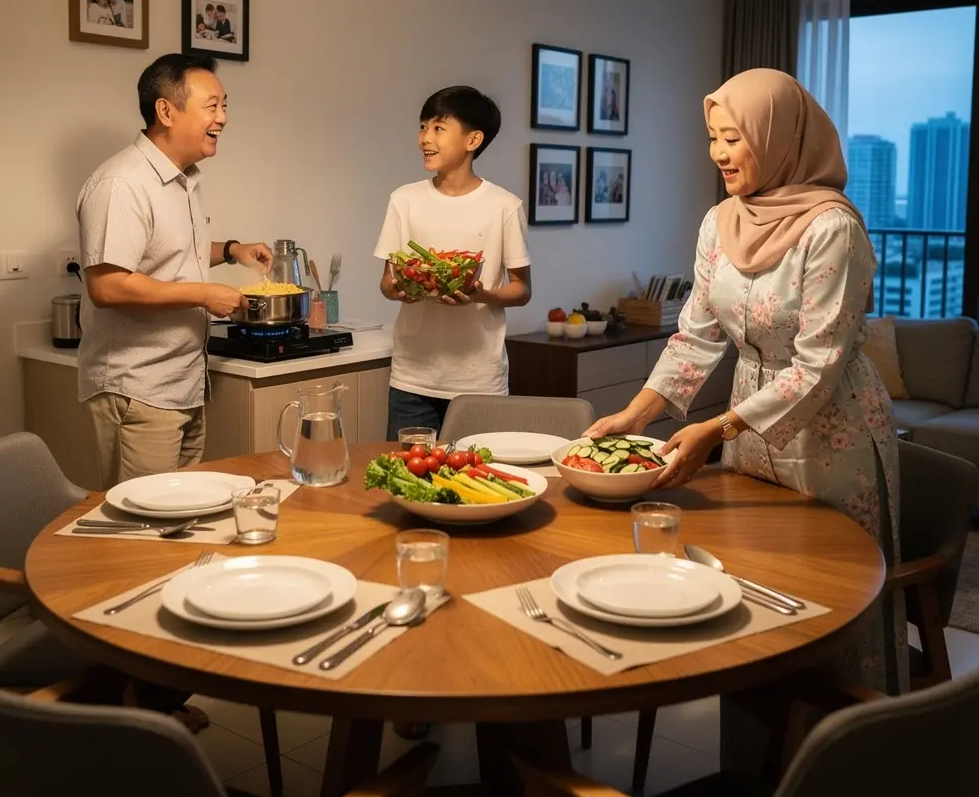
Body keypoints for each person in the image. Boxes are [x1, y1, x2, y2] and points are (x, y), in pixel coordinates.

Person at [586, 67, 905, 769]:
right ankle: (754, 763)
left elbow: (820, 363)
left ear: (778, 137)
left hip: (833, 434)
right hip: (748, 431)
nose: (718, 153)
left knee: (828, 602)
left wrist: (715, 427)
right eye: (712, 138)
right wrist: (634, 415)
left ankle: (846, 766)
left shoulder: (832, 230)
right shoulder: (720, 222)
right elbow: (697, 335)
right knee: (756, 592)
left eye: (734, 137)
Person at [77, 52, 272, 485]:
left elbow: (167, 253)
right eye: (212, 106)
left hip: (181, 385)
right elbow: (107, 286)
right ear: (166, 110)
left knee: (181, 520)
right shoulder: (121, 183)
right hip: (138, 389)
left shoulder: (181, 179)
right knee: (142, 528)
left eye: (225, 106)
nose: (222, 118)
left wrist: (232, 250)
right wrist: (205, 294)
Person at [375, 86, 532, 438]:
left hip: (479, 379)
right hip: (412, 377)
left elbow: (522, 290)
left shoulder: (504, 206)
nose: (424, 139)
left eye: (438, 128)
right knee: (407, 480)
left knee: (477, 485)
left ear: (473, 139)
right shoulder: (404, 200)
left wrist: (479, 294)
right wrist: (404, 290)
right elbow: (387, 282)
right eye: (422, 127)